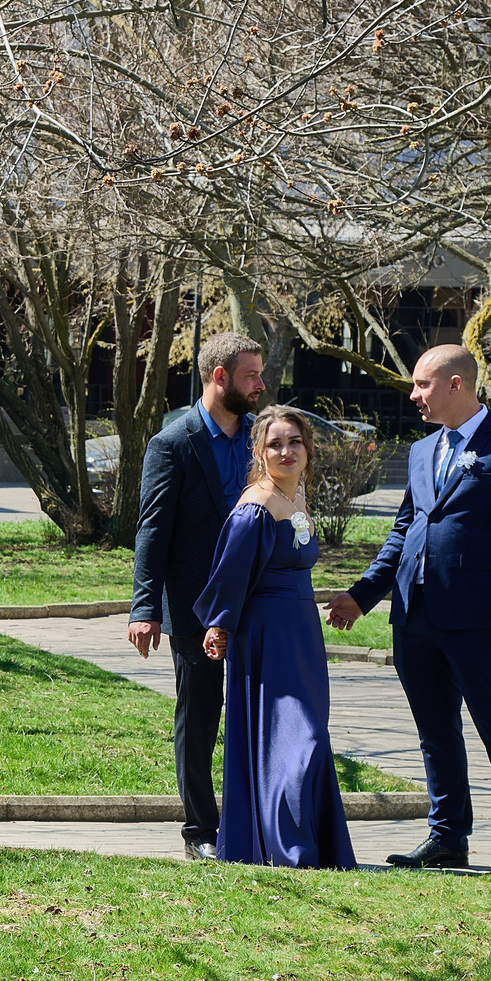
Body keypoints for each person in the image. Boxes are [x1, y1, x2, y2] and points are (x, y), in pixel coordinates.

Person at [326, 345, 491, 870]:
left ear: (456, 385)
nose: (413, 395)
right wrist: (362, 596)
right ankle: (448, 836)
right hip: (414, 615)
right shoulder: (423, 451)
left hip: (475, 617)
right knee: (434, 731)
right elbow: (403, 531)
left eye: (422, 384)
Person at [196, 407, 356, 869]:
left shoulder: (298, 496)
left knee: (313, 736)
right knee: (295, 738)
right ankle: (291, 849)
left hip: (302, 635)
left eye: (295, 443)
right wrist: (220, 625)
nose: (286, 452)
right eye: (275, 445)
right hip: (265, 636)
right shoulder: (255, 508)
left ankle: (314, 844)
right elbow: (229, 573)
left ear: (308, 449)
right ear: (259, 452)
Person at [131, 331, 266, 859]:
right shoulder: (174, 443)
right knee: (200, 716)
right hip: (195, 605)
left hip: (258, 600)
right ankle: (200, 832)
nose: (260, 385)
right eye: (251, 375)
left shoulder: (260, 436)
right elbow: (152, 530)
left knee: (258, 713)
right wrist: (146, 609)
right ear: (219, 377)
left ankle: (253, 823)